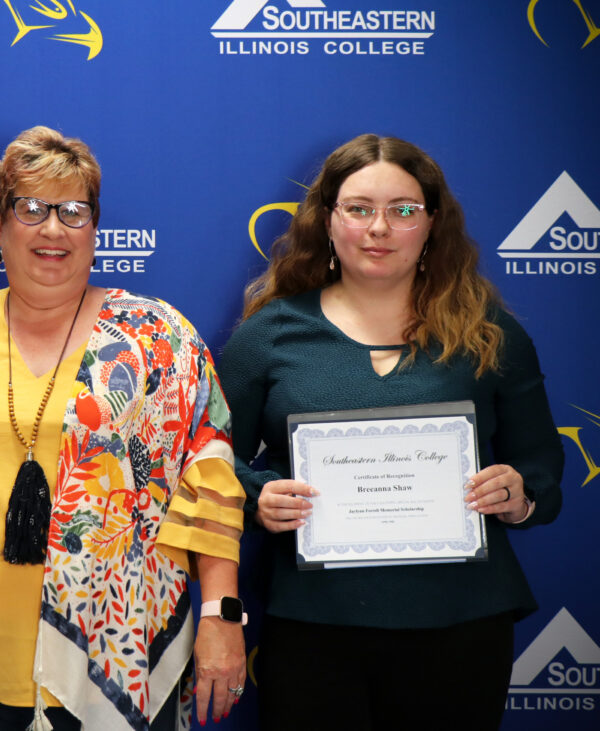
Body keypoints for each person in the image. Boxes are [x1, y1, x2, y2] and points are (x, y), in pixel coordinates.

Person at [0, 126, 246, 730]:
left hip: (119, 655)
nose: (52, 229)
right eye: (30, 209)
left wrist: (222, 614)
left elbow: (209, 481)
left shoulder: (156, 338)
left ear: (95, 229)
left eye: (72, 211)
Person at [219, 134, 564, 730]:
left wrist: (518, 494)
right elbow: (209, 461)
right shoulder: (268, 335)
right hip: (315, 626)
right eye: (359, 208)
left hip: (461, 623)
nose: (379, 227)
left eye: (403, 210)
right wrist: (257, 496)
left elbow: (541, 470)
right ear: (328, 221)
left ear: (432, 224)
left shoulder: (491, 334)